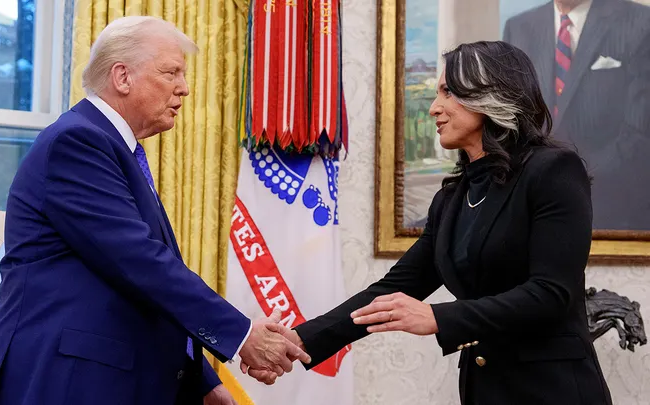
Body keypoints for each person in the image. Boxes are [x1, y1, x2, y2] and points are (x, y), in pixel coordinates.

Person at [245, 41, 613, 404]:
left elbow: (550, 294)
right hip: (485, 390)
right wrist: (301, 340)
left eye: (447, 93)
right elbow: (393, 289)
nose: (434, 109)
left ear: (490, 94)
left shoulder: (554, 171)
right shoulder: (453, 198)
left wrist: (438, 317)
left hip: (555, 390)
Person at [0, 16, 309, 405]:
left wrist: (200, 381)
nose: (183, 89)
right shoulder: (78, 141)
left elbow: (136, 283)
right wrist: (241, 335)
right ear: (122, 77)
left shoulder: (115, 149)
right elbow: (139, 262)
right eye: (171, 72)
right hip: (66, 381)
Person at [503, 0, 650, 231]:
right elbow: (510, 123)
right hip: (532, 210)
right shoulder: (518, 27)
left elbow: (640, 131)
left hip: (615, 209)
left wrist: (572, 181)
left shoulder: (642, 22)